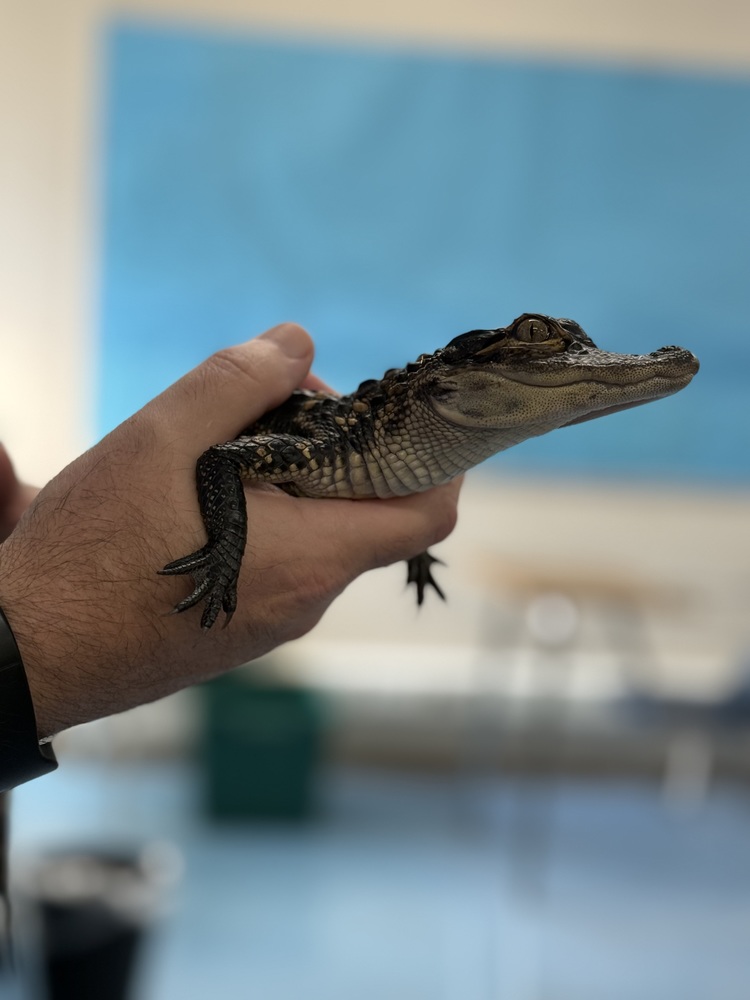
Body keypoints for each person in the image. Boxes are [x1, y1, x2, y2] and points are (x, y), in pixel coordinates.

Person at [0, 322, 461, 744]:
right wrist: (225, 551)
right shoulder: (334, 445)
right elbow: (222, 460)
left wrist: (414, 546)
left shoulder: (387, 458)